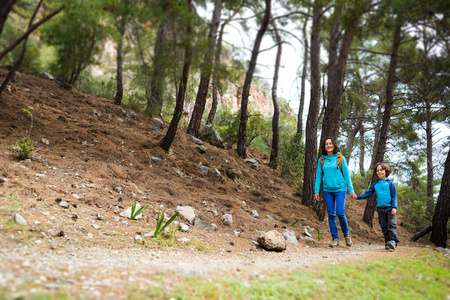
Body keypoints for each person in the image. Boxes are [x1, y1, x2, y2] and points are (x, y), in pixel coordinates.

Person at [314, 137, 357, 248]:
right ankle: (335, 239)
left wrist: (351, 190)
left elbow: (347, 175)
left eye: (330, 143)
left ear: (334, 145)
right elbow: (318, 176)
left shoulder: (340, 158)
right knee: (331, 215)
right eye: (326, 144)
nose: (328, 145)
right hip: (327, 190)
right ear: (324, 146)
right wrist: (316, 191)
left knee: (340, 212)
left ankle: (347, 236)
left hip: (340, 189)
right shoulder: (321, 160)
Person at [355, 162, 399, 250]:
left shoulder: (390, 183)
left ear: (386, 171)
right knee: (383, 226)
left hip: (390, 208)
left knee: (391, 225)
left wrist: (394, 207)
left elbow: (394, 196)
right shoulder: (375, 184)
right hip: (380, 209)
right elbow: (367, 194)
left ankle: (393, 241)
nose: (379, 172)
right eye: (377, 170)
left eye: (381, 170)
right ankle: (388, 242)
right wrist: (357, 197)